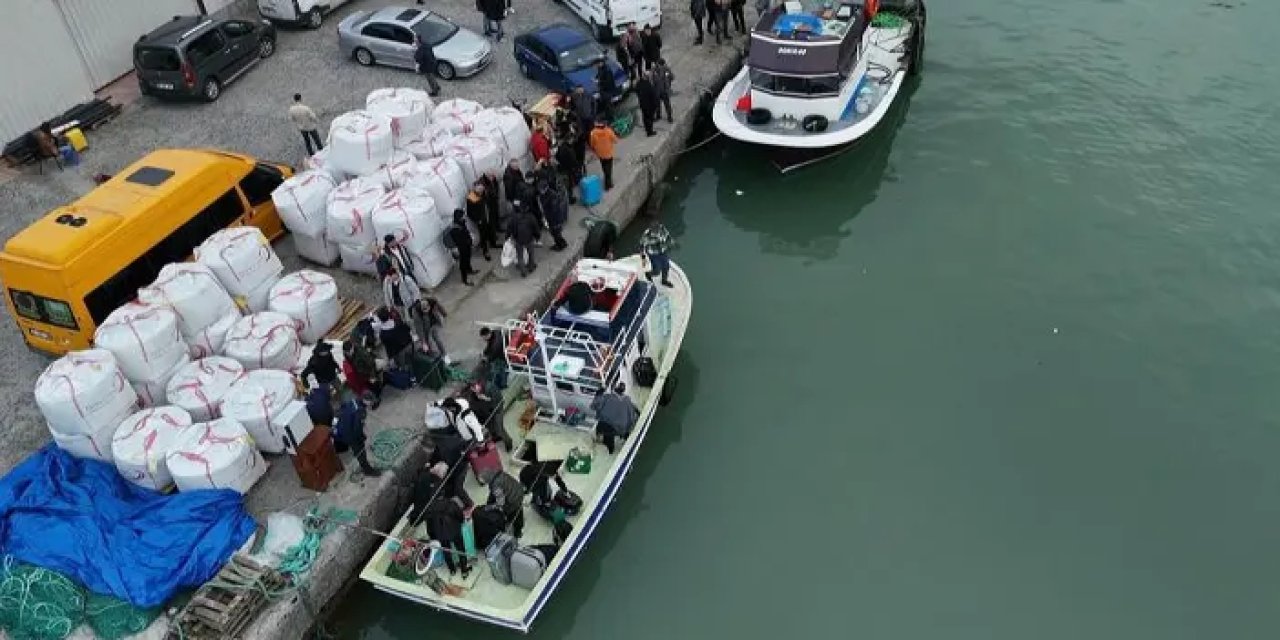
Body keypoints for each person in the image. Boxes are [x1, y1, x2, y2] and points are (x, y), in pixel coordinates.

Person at [335, 390, 382, 476]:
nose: (371, 403)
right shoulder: (360, 411)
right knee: (360, 451)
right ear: (365, 400)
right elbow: (357, 431)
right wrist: (363, 439)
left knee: (354, 446)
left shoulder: (353, 400)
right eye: (370, 401)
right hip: (349, 434)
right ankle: (368, 471)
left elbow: (341, 409)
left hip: (341, 428)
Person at [591, 383, 639, 455]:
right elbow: (635, 410)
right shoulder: (628, 400)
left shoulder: (606, 397)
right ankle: (629, 441)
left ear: (614, 389)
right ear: (623, 391)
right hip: (623, 427)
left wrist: (598, 394)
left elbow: (593, 406)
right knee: (624, 431)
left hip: (609, 426)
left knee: (606, 432)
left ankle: (610, 450)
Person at [461, 380, 511, 451]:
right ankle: (497, 437)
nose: (474, 390)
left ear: (478, 384)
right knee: (491, 428)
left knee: (499, 429)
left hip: (497, 411)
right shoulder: (474, 394)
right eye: (472, 389)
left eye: (474, 387)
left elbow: (499, 400)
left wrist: (487, 399)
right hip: (486, 414)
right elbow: (475, 406)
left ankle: (508, 442)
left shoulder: (490, 388)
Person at [478, 467, 526, 538]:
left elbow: (501, 503)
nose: (482, 483)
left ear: (487, 479)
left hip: (513, 500)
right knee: (518, 510)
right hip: (518, 491)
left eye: (483, 481)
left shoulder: (495, 486)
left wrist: (490, 507)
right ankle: (519, 527)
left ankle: (517, 532)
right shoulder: (499, 473)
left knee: (513, 514)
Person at [342, 339, 382, 409]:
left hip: (368, 371)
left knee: (374, 385)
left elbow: (370, 363)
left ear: (352, 347)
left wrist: (372, 376)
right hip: (360, 375)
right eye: (347, 352)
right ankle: (373, 399)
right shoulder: (347, 355)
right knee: (367, 389)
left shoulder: (361, 352)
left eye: (349, 351)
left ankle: (376, 398)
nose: (349, 353)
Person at [410, 297, 450, 363]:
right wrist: (423, 342)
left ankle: (445, 355)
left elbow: (440, 307)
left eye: (427, 309)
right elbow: (419, 329)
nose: (426, 312)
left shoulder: (433, 301)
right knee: (426, 340)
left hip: (434, 322)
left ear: (429, 305)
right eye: (424, 311)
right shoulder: (416, 313)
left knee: (437, 338)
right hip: (424, 325)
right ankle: (431, 354)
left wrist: (444, 315)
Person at [506, 201, 540, 277]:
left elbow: (509, 228)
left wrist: (507, 237)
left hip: (518, 239)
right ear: (527, 208)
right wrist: (537, 237)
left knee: (520, 256)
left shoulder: (514, 218)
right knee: (531, 253)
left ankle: (523, 271)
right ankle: (531, 267)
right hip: (529, 238)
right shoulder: (531, 217)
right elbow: (536, 228)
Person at [537, 175, 569, 252]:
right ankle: (561, 243)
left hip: (554, 219)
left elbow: (554, 209)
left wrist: (548, 219)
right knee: (554, 233)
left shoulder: (552, 195)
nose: (541, 191)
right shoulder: (544, 195)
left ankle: (560, 245)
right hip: (550, 217)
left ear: (546, 188)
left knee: (555, 233)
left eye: (542, 189)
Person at [448, 210, 479, 286]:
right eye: (462, 216)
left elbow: (466, 232)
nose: (463, 217)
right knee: (463, 262)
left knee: (468, 258)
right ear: (458, 217)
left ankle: (469, 270)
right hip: (462, 247)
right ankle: (464, 280)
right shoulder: (455, 228)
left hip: (467, 244)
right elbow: (459, 240)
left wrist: (470, 241)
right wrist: (466, 241)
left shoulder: (462, 223)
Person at [465, 182, 495, 261]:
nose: (481, 190)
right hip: (481, 220)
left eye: (482, 188)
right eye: (479, 189)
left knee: (490, 231)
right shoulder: (471, 198)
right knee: (483, 235)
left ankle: (493, 243)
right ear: (475, 188)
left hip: (486, 216)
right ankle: (485, 252)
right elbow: (469, 213)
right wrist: (477, 220)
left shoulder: (483, 194)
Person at [640, 219, 675, 287]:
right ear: (651, 229)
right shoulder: (646, 235)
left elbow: (667, 235)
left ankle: (664, 280)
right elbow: (641, 246)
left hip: (662, 251)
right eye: (654, 230)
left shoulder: (662, 228)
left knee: (666, 267)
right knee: (657, 271)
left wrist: (671, 241)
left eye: (657, 229)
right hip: (653, 254)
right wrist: (643, 259)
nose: (657, 232)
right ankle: (648, 274)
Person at [588, 119, 619, 191]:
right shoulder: (608, 131)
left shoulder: (593, 132)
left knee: (604, 167)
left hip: (600, 154)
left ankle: (607, 180)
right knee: (609, 168)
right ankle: (608, 184)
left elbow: (592, 143)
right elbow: (615, 140)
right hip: (608, 153)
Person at [636, 70, 660, 137]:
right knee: (650, 119)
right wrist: (656, 105)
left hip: (642, 105)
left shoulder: (639, 84)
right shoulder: (649, 85)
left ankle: (647, 129)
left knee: (645, 117)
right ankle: (650, 132)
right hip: (649, 106)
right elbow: (653, 96)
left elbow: (637, 91)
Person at [653, 58, 676, 123]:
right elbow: (651, 78)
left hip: (664, 90)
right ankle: (658, 116)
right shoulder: (654, 69)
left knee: (667, 105)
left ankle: (669, 117)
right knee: (657, 104)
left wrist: (668, 77)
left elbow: (672, 77)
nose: (661, 66)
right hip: (657, 90)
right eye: (661, 65)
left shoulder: (667, 69)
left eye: (662, 65)